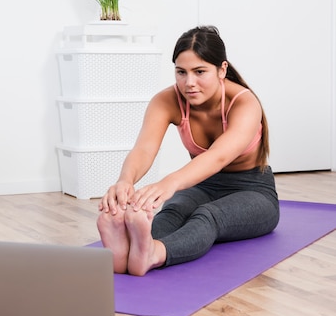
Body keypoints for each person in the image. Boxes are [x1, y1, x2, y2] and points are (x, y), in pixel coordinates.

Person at [97, 25, 279, 276]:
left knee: (208, 216)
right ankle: (126, 251)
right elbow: (144, 149)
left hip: (253, 191)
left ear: (221, 70)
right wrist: (124, 181)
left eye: (200, 71)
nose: (189, 83)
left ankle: (155, 253)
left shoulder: (245, 103)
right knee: (174, 210)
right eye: (181, 72)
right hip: (204, 185)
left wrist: (168, 184)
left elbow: (219, 157)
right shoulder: (167, 100)